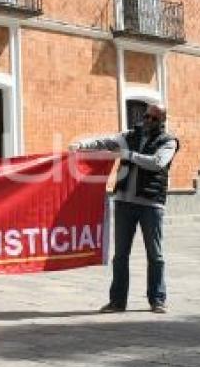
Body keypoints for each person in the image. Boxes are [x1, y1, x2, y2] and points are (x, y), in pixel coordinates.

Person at [70, 103, 179, 314]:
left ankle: (157, 299)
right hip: (123, 202)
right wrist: (80, 145)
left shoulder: (169, 142)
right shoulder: (128, 136)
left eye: (153, 119)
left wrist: (128, 155)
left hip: (151, 204)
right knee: (120, 255)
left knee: (155, 254)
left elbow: (157, 163)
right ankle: (117, 302)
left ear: (161, 121)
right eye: (146, 116)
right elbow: (105, 141)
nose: (147, 121)